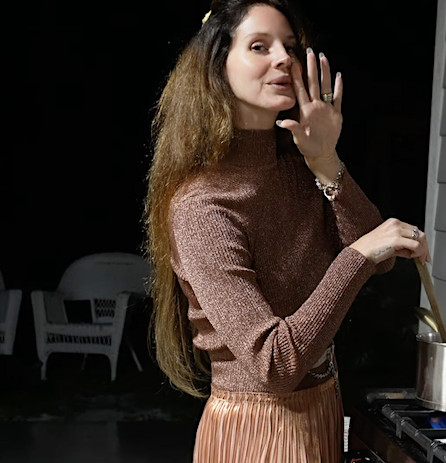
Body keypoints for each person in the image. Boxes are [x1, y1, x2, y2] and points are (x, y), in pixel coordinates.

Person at [143, 1, 431, 462]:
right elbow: (274, 364)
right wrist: (357, 255)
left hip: (321, 408)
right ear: (217, 67)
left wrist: (326, 160)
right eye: (260, 46)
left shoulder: (297, 168)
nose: (283, 58)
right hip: (258, 427)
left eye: (291, 47)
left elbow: (381, 260)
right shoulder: (203, 205)